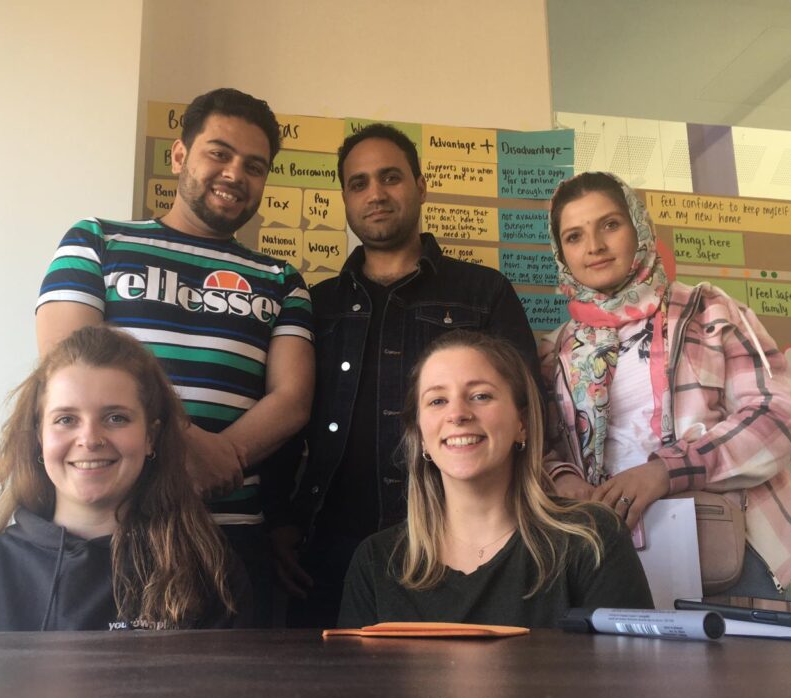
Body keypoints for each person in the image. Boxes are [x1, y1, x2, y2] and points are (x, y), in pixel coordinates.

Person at [35, 88, 314, 625]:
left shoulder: (283, 281)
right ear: (180, 155)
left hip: (230, 535)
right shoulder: (96, 241)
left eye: (254, 166)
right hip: (111, 528)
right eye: (219, 153)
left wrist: (218, 458)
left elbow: (293, 398)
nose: (235, 173)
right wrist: (185, 446)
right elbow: (62, 365)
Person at [273, 124, 543, 628]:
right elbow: (288, 413)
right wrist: (279, 522)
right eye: (358, 183)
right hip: (324, 551)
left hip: (458, 545)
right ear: (346, 200)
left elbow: (525, 409)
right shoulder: (316, 303)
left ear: (421, 186)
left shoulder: (483, 292)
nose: (375, 193)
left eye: (390, 177)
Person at [541, 171, 791, 596]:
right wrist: (563, 478)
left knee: (745, 664)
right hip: (606, 556)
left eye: (610, 224)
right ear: (561, 253)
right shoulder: (556, 352)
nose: (594, 247)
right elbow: (536, 446)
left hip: (725, 544)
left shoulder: (709, 310)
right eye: (573, 236)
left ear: (638, 227)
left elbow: (779, 418)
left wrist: (667, 470)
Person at [0, 325, 252, 632]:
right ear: (39, 438)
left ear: (150, 437)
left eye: (116, 418)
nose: (90, 439)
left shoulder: (209, 572)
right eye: (66, 420)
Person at [338, 331, 652, 628]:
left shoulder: (593, 540)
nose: (457, 414)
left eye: (480, 395)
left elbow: (631, 682)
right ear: (420, 436)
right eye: (437, 401)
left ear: (523, 424)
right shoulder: (377, 562)